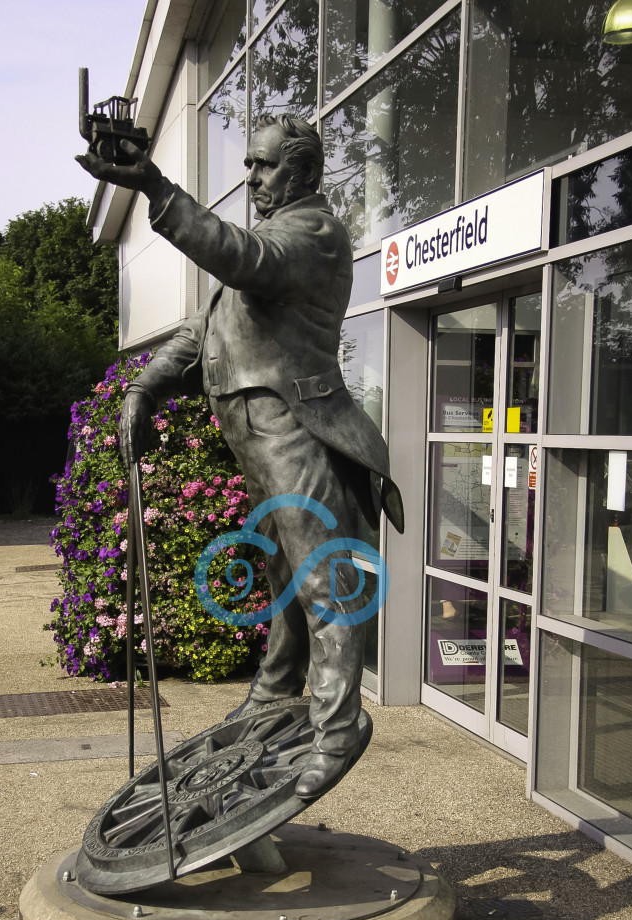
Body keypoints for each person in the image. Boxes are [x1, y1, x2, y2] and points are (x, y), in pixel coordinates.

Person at [77, 114, 403, 798]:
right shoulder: (265, 241)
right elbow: (203, 332)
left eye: (263, 166)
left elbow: (243, 259)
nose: (250, 177)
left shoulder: (308, 234)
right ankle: (275, 695)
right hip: (255, 438)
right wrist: (146, 385)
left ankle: (337, 725)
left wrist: (157, 191)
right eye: (249, 165)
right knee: (283, 576)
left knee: (323, 579)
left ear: (304, 173)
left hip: (297, 429)